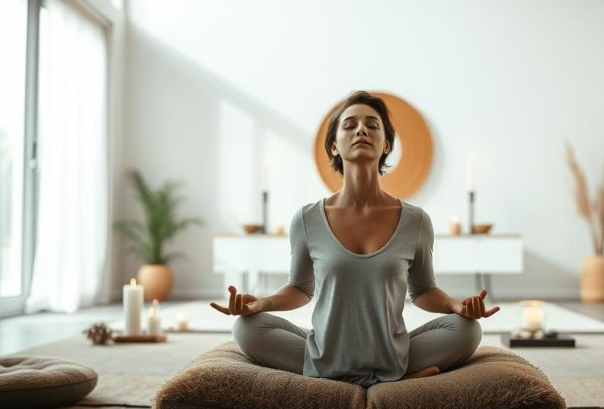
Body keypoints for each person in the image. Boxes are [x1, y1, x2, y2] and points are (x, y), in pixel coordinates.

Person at [210, 91, 500, 387]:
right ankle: (388, 378)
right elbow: (300, 288)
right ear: (334, 146)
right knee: (247, 328)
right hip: (325, 353)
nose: (361, 129)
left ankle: (363, 374)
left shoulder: (417, 221)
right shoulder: (307, 219)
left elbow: (424, 291)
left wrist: (456, 306)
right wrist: (261, 303)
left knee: (467, 330)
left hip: (391, 353)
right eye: (349, 125)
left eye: (372, 125)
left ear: (386, 145)